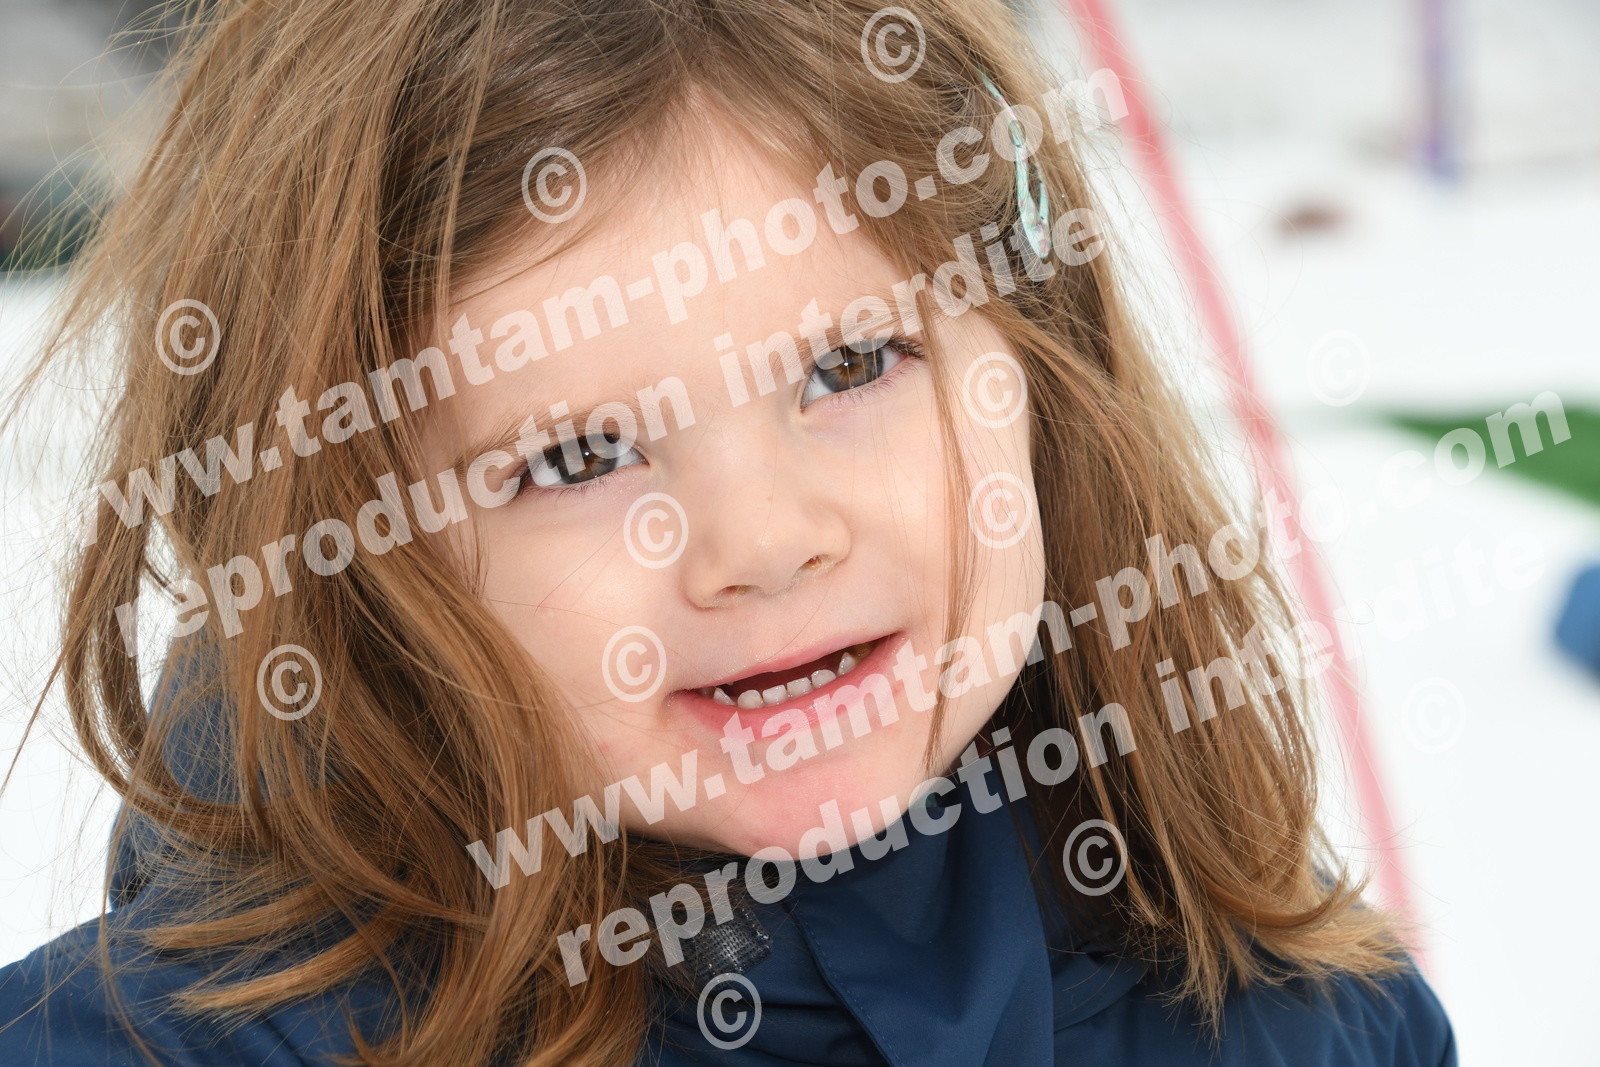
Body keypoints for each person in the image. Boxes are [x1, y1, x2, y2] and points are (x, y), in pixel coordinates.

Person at [0, 0, 1457, 1062]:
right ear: (351, 557)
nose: (762, 541)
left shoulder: (1309, 1024)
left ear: (1038, 374)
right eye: (577, 455)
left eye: (852, 366)